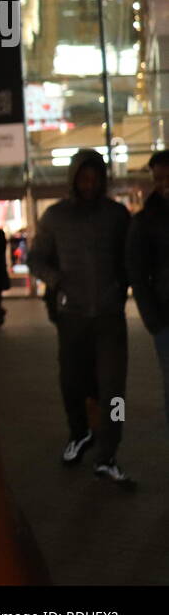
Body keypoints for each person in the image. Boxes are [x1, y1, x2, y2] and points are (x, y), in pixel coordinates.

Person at [28, 149, 135, 489]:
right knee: (71, 385)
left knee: (114, 392)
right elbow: (35, 259)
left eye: (95, 177)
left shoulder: (117, 216)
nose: (89, 184)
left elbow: (130, 258)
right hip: (72, 318)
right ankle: (80, 433)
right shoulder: (55, 217)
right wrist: (56, 280)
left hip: (109, 320)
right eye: (83, 177)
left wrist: (121, 288)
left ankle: (108, 454)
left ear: (102, 179)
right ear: (74, 178)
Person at [127, 150, 169, 436]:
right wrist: (153, 319)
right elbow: (137, 272)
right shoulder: (146, 220)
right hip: (166, 315)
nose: (164, 184)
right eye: (159, 179)